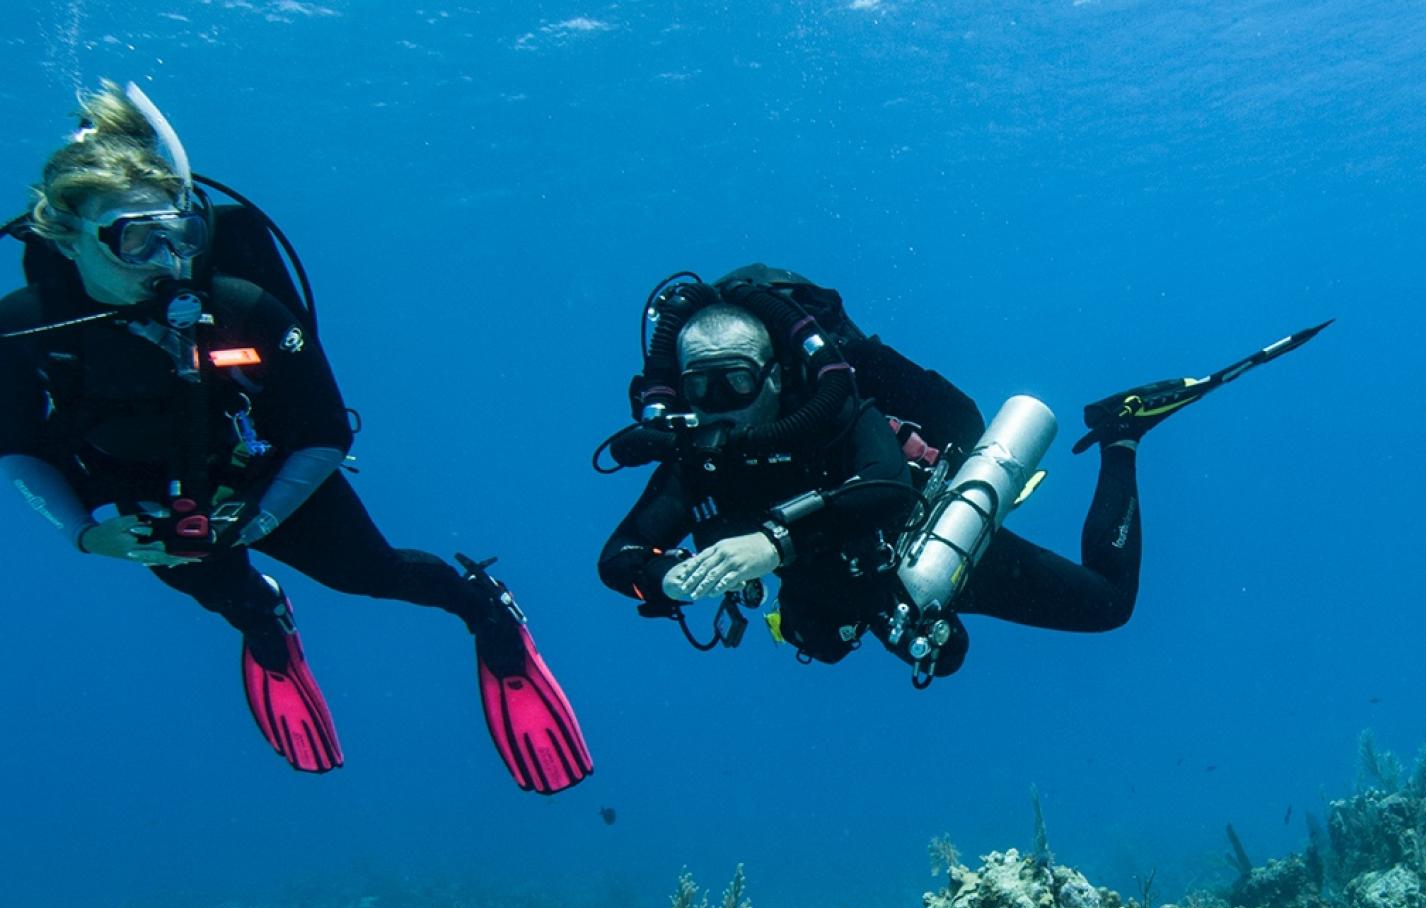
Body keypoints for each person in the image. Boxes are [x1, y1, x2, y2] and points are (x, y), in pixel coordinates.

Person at [0, 82, 591, 793]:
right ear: (66, 235)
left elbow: (323, 430)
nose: (166, 261)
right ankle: (265, 620)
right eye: (135, 238)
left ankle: (484, 608)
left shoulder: (245, 307)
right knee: (228, 596)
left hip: (270, 479)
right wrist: (85, 535)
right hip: (141, 505)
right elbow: (18, 446)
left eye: (178, 234)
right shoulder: (22, 328)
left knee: (373, 573)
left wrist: (262, 516)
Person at [596, 264, 1326, 683]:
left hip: (922, 536)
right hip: (868, 586)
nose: (720, 408)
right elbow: (619, 557)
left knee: (1107, 606)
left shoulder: (838, 413)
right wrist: (661, 578)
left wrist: (773, 543)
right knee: (925, 654)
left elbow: (882, 486)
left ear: (778, 376)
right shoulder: (699, 459)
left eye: (735, 383)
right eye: (699, 389)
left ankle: (1121, 434)